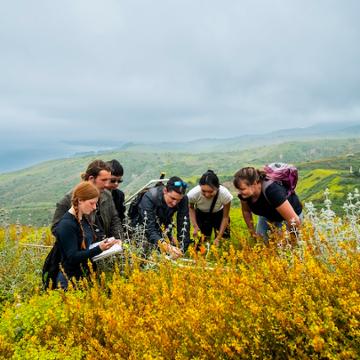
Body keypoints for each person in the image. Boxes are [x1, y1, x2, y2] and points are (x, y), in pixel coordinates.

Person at [54, 181, 118, 289]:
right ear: (80, 201)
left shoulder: (82, 218)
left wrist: (107, 244)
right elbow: (72, 257)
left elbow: (85, 247)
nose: (94, 207)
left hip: (83, 277)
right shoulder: (66, 225)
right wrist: (99, 249)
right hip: (69, 283)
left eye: (96, 203)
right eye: (91, 203)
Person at [51, 159, 123, 241]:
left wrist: (119, 242)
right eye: (103, 180)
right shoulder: (67, 200)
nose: (107, 184)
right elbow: (56, 229)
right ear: (91, 179)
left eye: (108, 180)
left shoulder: (107, 195)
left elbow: (114, 220)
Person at [233, 167, 302, 242]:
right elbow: (246, 211)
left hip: (289, 217)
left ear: (255, 183)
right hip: (268, 214)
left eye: (242, 189)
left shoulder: (272, 191)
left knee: (283, 244)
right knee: (262, 241)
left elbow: (294, 220)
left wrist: (293, 241)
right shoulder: (244, 195)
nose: (239, 192)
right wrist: (252, 233)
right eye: (238, 189)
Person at [135, 176, 190, 258]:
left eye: (178, 200)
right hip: (141, 226)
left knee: (169, 252)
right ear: (165, 191)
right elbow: (149, 229)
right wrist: (166, 246)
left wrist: (181, 250)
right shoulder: (150, 197)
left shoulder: (183, 199)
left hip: (164, 223)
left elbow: (184, 225)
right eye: (172, 198)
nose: (175, 203)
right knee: (146, 251)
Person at [187, 170, 233, 246]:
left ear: (217, 187)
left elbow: (225, 217)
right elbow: (191, 208)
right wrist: (195, 226)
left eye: (211, 191)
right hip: (201, 216)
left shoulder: (225, 194)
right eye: (203, 191)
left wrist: (218, 237)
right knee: (201, 243)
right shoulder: (193, 194)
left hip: (219, 215)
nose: (207, 195)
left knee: (223, 243)